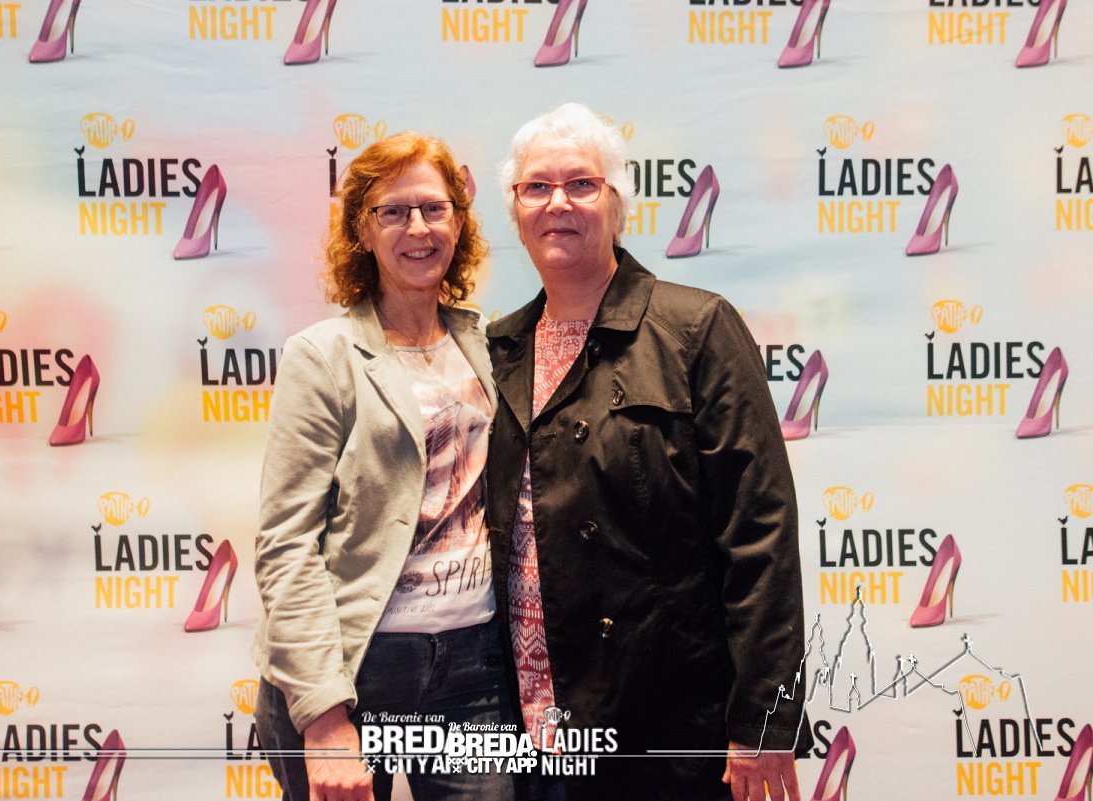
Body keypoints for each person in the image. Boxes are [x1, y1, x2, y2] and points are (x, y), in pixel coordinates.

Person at [485, 103, 808, 801]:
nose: (557, 203)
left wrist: (764, 717)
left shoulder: (696, 328)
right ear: (515, 210)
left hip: (668, 724)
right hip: (531, 727)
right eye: (536, 187)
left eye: (581, 183)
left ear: (617, 202)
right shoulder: (498, 348)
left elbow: (760, 532)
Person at [252, 132, 513, 801]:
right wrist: (323, 715)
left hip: (474, 665)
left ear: (459, 221)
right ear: (362, 231)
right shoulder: (322, 356)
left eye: (434, 208)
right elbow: (286, 545)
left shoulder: (489, 343)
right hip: (354, 666)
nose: (417, 228)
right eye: (392, 212)